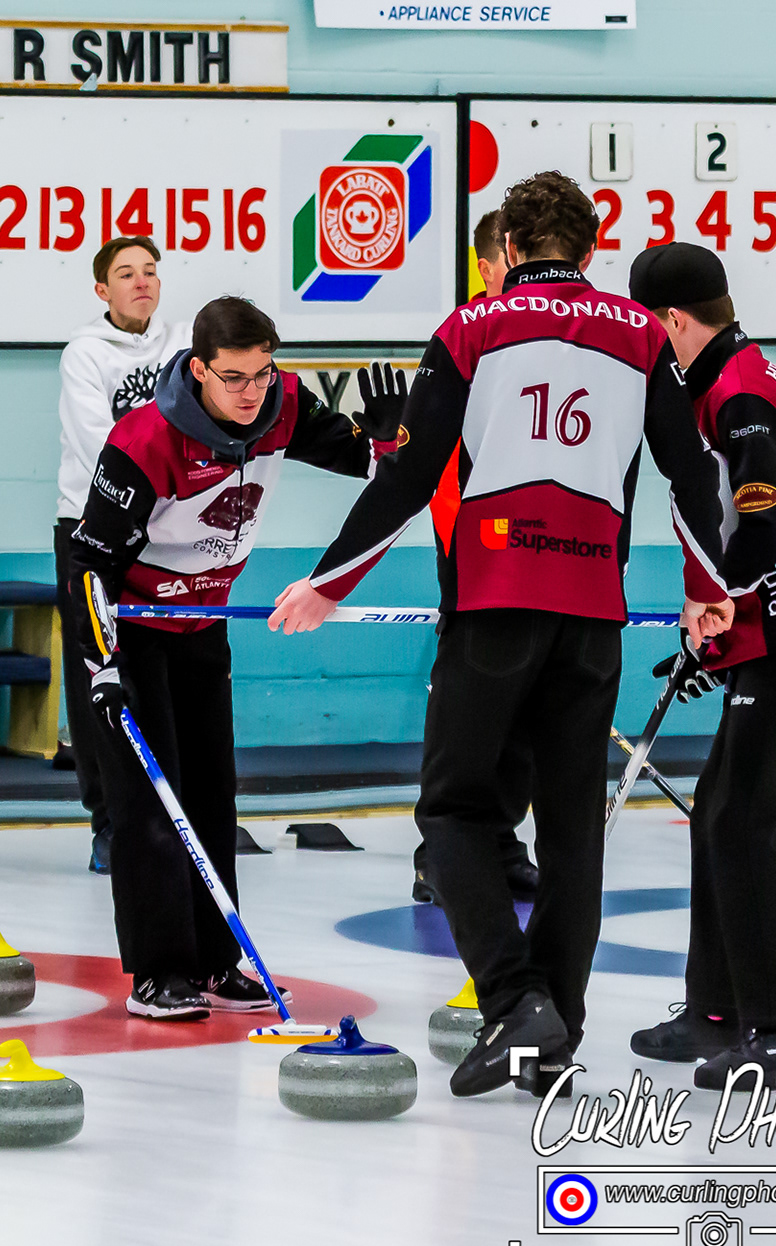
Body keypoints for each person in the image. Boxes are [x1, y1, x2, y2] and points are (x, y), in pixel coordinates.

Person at [268, 172, 734, 1096]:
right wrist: (708, 589)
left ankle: (514, 1000)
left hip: (493, 603)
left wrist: (327, 581)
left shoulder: (467, 330)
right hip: (592, 608)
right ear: (592, 252)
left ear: (510, 251)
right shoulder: (644, 338)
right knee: (572, 831)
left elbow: (410, 475)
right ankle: (551, 1032)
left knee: (451, 809)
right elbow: (692, 475)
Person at [67, 295, 405, 1020]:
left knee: (213, 796)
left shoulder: (281, 407)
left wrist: (385, 442)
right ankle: (160, 972)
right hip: (136, 628)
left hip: (203, 622)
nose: (252, 393)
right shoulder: (144, 441)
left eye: (263, 373)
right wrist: (103, 665)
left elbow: (359, 462)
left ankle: (219, 962)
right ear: (198, 370)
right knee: (152, 805)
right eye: (234, 378)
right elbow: (88, 563)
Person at [624, 242, 776, 1090]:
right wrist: (715, 638)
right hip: (775, 624)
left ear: (672, 322)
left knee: (745, 822)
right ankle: (716, 1011)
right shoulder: (724, 379)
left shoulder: (741, 393)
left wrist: (721, 606)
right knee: (719, 812)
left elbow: (768, 520)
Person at [412, 208, 539, 906]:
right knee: (468, 700)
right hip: (471, 540)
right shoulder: (470, 337)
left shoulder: (557, 336)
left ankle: (499, 839)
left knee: (527, 701)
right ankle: (440, 851)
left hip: (539, 545)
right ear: (491, 266)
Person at [56, 235, 191, 875]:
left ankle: (176, 811)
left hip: (170, 527)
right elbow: (96, 447)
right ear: (102, 290)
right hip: (95, 523)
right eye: (126, 274)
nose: (142, 282)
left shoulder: (185, 347)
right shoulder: (84, 355)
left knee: (171, 668)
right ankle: (108, 821)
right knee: (100, 672)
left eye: (150, 271)